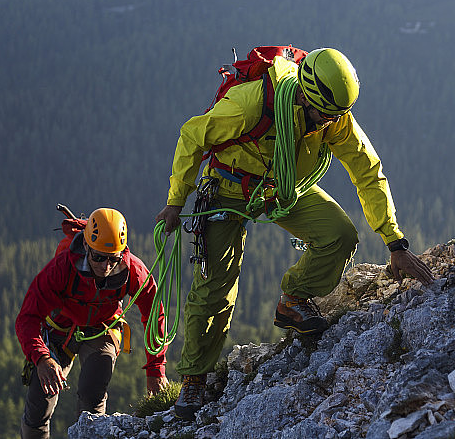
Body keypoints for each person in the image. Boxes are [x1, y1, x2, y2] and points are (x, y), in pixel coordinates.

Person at [156, 47, 435, 420]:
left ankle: (294, 299)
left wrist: (395, 242)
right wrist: (176, 201)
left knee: (339, 234)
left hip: (280, 189)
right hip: (226, 188)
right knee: (215, 290)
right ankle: (194, 379)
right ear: (305, 96)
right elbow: (193, 136)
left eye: (337, 116)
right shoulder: (251, 105)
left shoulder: (334, 117)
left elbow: (367, 170)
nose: (329, 124)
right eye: (324, 116)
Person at [16, 207, 169, 439]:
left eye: (113, 259)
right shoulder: (62, 268)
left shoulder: (133, 270)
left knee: (93, 393)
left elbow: (154, 313)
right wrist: (41, 358)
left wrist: (155, 369)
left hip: (102, 328)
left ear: (122, 253)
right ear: (86, 246)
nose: (105, 266)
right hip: (59, 329)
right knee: (39, 403)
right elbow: (27, 318)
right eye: (98, 257)